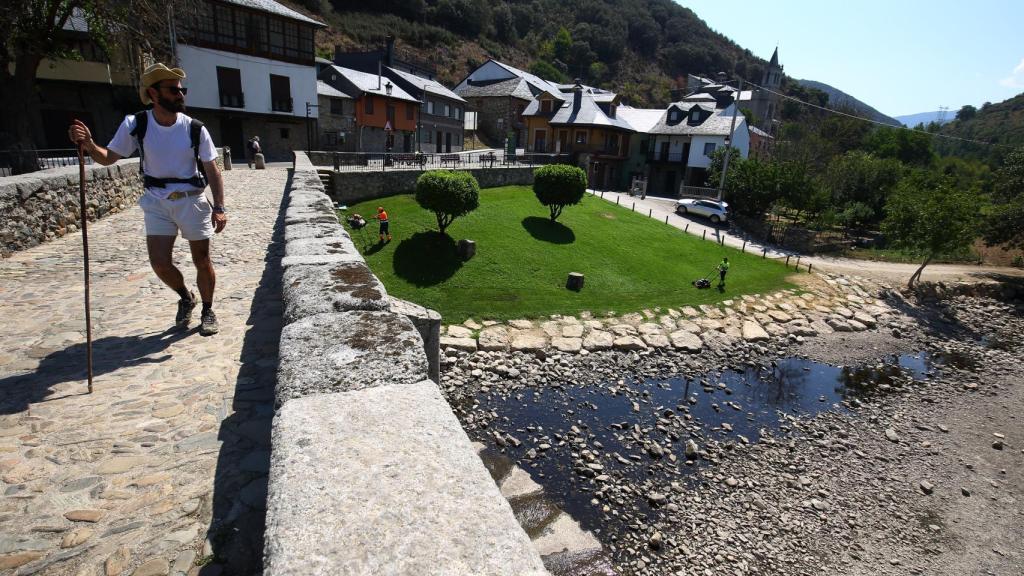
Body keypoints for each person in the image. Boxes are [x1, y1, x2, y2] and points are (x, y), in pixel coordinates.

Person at [68, 63, 227, 336]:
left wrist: (220, 207)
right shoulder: (136, 124)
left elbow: (212, 168)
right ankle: (186, 297)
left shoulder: (195, 128)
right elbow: (108, 158)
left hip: (191, 199)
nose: (180, 96)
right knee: (159, 262)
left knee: (202, 259)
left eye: (181, 90)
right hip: (156, 201)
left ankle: (208, 310)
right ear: (153, 93)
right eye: (174, 91)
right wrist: (89, 144)